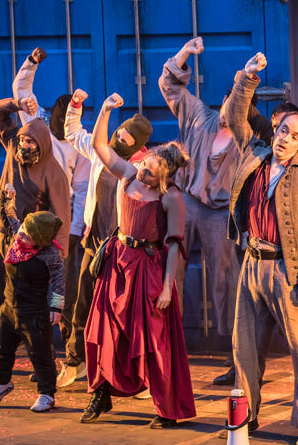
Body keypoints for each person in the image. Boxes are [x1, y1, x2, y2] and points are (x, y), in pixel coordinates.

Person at [226, 52, 298, 445]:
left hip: (288, 272)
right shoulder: (255, 153)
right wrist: (248, 79)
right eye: (283, 130)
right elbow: (236, 116)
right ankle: (247, 416)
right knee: (245, 348)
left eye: (295, 135)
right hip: (252, 263)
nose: (286, 138)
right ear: (276, 129)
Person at [80, 93, 195, 429]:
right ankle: (101, 393)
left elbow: (174, 245)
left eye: (150, 172)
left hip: (147, 270)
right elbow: (101, 147)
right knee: (102, 330)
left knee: (154, 341)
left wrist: (168, 288)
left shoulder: (171, 197)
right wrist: (104, 110)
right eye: (145, 166)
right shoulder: (128, 173)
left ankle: (166, 408)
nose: (143, 173)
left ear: (164, 176)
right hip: (116, 262)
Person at [0, 97, 71, 375]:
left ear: (41, 144)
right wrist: (18, 103)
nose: (24, 145)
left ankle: (44, 362)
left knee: (31, 306)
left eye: (30, 142)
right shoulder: (11, 147)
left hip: (29, 247)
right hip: (0, 236)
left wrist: (57, 253)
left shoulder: (53, 173)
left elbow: (61, 217)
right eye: (22, 140)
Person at [159, 37, 243, 384]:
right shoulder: (199, 116)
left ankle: (237, 356)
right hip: (188, 201)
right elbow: (170, 85)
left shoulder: (245, 137)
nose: (229, 111)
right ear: (222, 102)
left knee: (225, 280)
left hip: (220, 213)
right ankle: (165, 343)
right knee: (169, 266)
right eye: (228, 102)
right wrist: (184, 53)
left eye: (236, 107)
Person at [57, 88, 150, 388]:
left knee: (121, 314)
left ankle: (129, 376)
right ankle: (75, 362)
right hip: (92, 243)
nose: (119, 140)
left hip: (122, 250)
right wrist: (78, 105)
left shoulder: (139, 168)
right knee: (82, 304)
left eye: (126, 140)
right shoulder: (101, 152)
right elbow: (73, 133)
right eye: (120, 134)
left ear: (137, 146)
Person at [11, 47, 90, 380]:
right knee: (32, 294)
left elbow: (82, 190)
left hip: (61, 226)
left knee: (64, 294)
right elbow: (21, 93)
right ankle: (44, 359)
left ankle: (73, 359)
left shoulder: (78, 143)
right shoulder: (39, 127)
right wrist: (31, 63)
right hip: (32, 224)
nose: (60, 121)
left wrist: (74, 231)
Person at [0, 184, 65, 413]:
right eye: (22, 231)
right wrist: (8, 198)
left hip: (34, 314)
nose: (20, 235)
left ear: (39, 242)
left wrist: (56, 308)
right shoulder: (19, 237)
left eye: (26, 235)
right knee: (2, 349)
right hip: (8, 309)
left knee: (39, 356)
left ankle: (47, 394)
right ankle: (0, 384)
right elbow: (10, 216)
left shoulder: (50, 256)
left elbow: (59, 281)